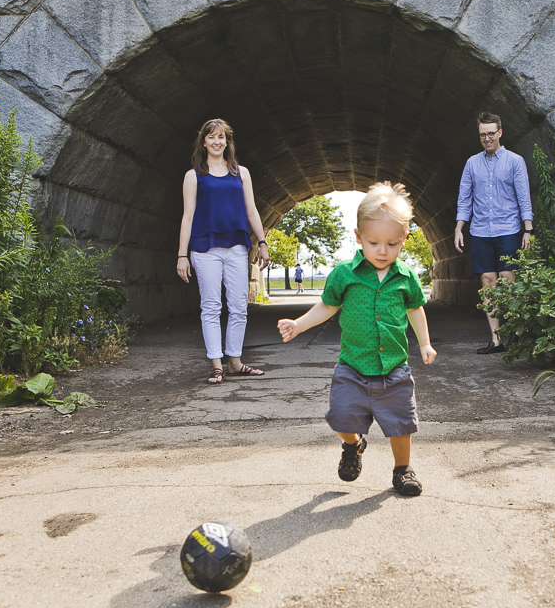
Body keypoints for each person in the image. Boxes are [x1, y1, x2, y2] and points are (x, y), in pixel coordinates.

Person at [277, 182, 436, 497]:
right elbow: (327, 306)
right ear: (358, 237)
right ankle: (353, 444)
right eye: (373, 242)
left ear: (403, 240)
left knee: (401, 425)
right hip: (352, 367)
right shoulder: (344, 274)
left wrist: (425, 343)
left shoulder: (406, 278)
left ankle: (402, 469)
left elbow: (416, 310)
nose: (381, 250)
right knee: (340, 417)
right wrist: (299, 324)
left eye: (391, 244)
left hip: (394, 368)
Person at [177, 118, 270, 384]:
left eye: (222, 137)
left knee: (239, 306)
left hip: (237, 247)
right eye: (212, 137)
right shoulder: (194, 175)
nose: (217, 142)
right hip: (204, 248)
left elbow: (251, 210)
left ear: (227, 142)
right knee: (211, 306)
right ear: (203, 141)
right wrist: (182, 255)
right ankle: (217, 364)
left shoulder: (241, 173)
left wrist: (262, 242)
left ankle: (235, 363)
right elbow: (188, 216)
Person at [454, 112, 534, 354]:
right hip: (480, 231)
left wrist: (528, 229)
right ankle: (496, 339)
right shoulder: (472, 163)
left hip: (508, 229)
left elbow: (524, 197)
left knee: (509, 280)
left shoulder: (514, 161)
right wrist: (459, 228)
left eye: (491, 133)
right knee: (488, 282)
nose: (487, 138)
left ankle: (517, 334)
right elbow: (464, 199)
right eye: (482, 135)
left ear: (500, 132)